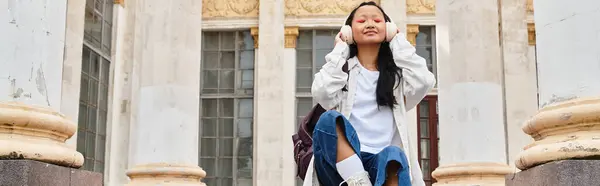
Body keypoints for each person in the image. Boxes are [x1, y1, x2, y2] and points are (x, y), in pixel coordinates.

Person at [304, 1, 436, 186]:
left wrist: (397, 41)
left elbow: (425, 81)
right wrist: (340, 50)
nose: (370, 24)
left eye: (377, 20)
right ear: (349, 31)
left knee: (395, 154)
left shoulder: (397, 79)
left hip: (382, 163)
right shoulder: (343, 72)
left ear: (388, 29)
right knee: (328, 120)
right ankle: (359, 182)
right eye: (362, 20)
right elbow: (321, 92)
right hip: (341, 164)